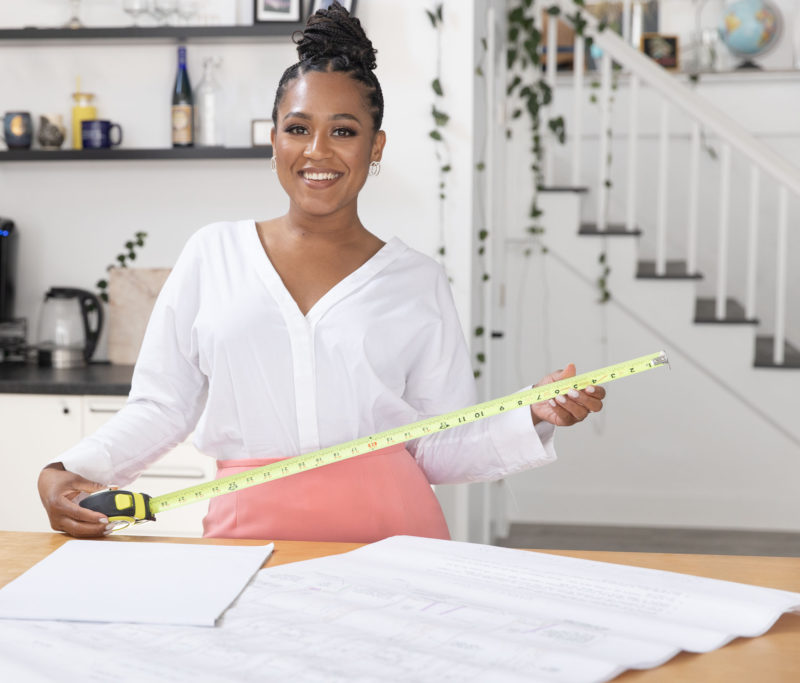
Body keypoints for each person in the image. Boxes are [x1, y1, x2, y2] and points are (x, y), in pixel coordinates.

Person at [38, 4, 605, 542]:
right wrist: (73, 468)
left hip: (397, 538)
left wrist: (530, 413)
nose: (317, 151)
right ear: (273, 138)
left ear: (374, 146)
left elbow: (438, 447)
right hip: (247, 532)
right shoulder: (213, 254)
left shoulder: (416, 279)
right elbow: (162, 406)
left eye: (343, 130)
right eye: (297, 128)